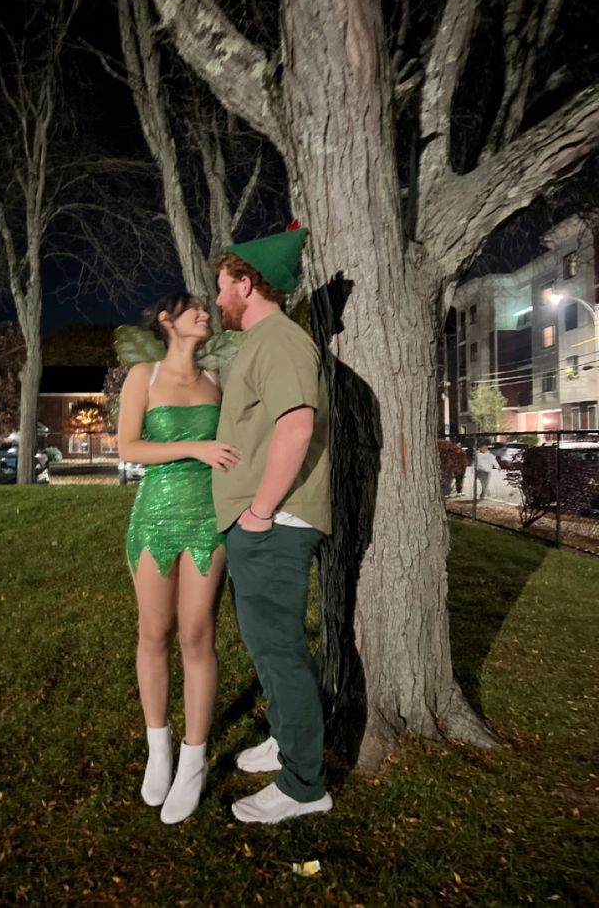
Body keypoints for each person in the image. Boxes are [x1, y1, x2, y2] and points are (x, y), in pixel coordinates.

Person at [212, 223, 333, 824]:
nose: (215, 300)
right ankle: (288, 743)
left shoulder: (281, 340)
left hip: (276, 522)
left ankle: (305, 786)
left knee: (281, 653)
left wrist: (258, 513)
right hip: (262, 521)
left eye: (220, 285)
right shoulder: (263, 342)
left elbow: (297, 426)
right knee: (268, 648)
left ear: (245, 283)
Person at [118, 293, 241, 825]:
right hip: (154, 516)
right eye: (190, 307)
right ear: (165, 320)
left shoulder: (218, 378)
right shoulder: (142, 376)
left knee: (197, 634)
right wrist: (194, 449)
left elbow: (240, 442)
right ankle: (159, 749)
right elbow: (128, 447)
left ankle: (194, 759)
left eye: (204, 307)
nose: (203, 313)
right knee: (154, 633)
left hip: (207, 518)